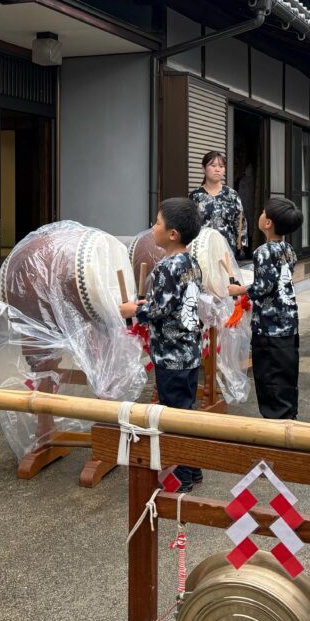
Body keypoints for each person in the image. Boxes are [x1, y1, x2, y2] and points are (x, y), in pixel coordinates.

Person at [119, 197, 204, 491]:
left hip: (172, 355)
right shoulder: (191, 262)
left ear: (172, 235)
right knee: (185, 412)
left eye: (157, 223)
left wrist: (134, 310)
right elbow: (175, 303)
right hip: (190, 352)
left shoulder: (168, 266)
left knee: (172, 415)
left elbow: (159, 310)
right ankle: (192, 468)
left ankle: (179, 477)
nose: (152, 228)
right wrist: (150, 303)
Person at [228, 198, 303, 419]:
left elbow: (264, 286)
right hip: (289, 324)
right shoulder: (289, 250)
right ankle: (289, 419)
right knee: (286, 376)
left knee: (269, 378)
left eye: (262, 212)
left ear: (268, 222)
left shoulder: (263, 252)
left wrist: (238, 290)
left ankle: (276, 428)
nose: (260, 214)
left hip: (269, 328)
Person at [190, 151, 248, 259]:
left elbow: (240, 222)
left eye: (221, 166)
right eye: (213, 165)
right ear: (203, 168)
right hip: (202, 250)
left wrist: (240, 247)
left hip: (227, 249)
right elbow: (189, 224)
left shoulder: (232, 195)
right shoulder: (195, 196)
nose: (217, 169)